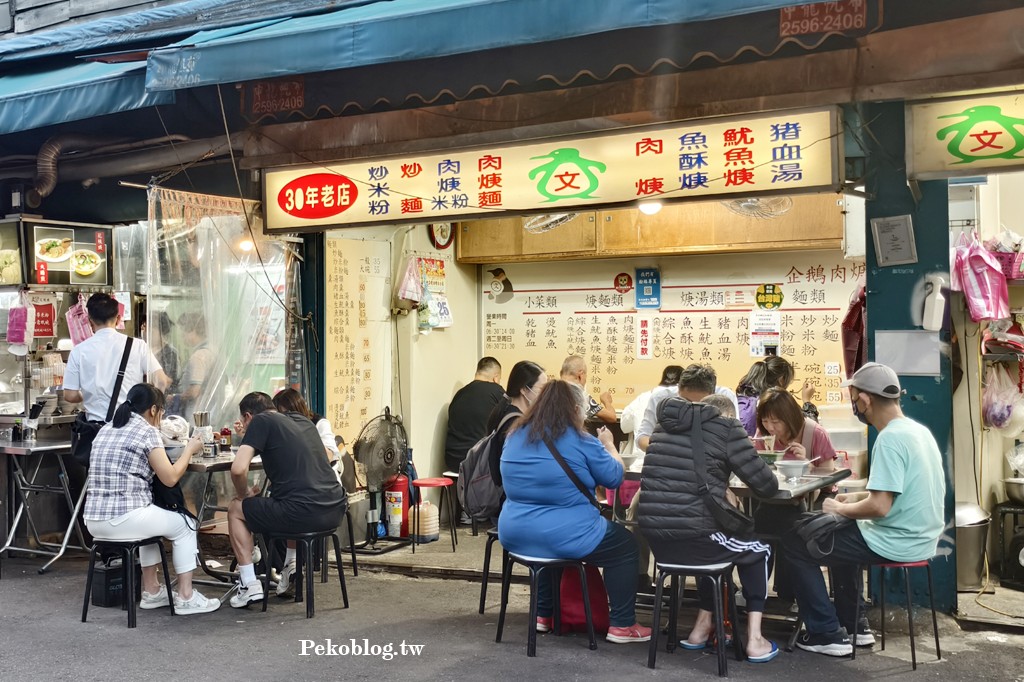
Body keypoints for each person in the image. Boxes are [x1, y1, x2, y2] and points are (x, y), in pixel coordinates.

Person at [783, 363, 945, 657]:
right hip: (920, 538)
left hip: (896, 541)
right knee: (834, 536)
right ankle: (855, 627)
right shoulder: (916, 431)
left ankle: (825, 632)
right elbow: (897, 490)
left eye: (854, 398)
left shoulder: (890, 438)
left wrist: (837, 508)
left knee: (796, 541)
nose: (854, 405)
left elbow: (880, 507)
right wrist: (854, 498)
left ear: (865, 400)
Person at [498, 380, 651, 644]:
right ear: (575, 408)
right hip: (567, 534)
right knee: (626, 546)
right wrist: (610, 446)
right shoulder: (581, 440)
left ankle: (544, 615)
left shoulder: (514, 435)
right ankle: (622, 625)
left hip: (515, 533)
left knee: (546, 548)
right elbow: (614, 477)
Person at [639, 383, 781, 662]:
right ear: (727, 416)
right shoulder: (727, 428)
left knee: (715, 542)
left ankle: (701, 629)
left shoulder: (662, 428)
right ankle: (754, 638)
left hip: (660, 544)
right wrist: (722, 483)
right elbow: (767, 485)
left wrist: (717, 482)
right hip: (697, 539)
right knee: (759, 549)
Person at [84, 383, 219, 614]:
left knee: (152, 513)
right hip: (125, 519)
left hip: (94, 523)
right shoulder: (147, 432)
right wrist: (190, 449)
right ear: (154, 410)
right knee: (186, 525)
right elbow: (170, 478)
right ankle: (186, 597)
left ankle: (153, 592)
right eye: (162, 412)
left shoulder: (107, 428)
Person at [226, 392, 348, 608]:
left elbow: (238, 469)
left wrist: (243, 495)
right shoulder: (303, 420)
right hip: (335, 509)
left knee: (236, 509)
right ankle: (291, 565)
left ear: (247, 416)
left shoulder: (260, 421)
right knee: (287, 495)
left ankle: (248, 584)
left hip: (302, 514)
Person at [627, 364, 717, 591]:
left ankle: (710, 580)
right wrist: (668, 449)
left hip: (704, 478)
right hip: (663, 475)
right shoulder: (661, 398)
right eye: (685, 402)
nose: (690, 409)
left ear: (712, 395)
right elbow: (642, 437)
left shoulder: (722, 400)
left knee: (719, 513)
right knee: (638, 509)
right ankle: (638, 575)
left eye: (699, 404)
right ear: (678, 390)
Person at [752, 387, 837, 603]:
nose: (770, 427)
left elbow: (828, 476)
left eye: (776, 422)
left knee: (792, 526)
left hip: (816, 500)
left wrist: (806, 463)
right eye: (765, 421)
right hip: (777, 498)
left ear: (790, 417)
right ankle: (755, 596)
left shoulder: (814, 433)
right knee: (758, 529)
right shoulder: (763, 435)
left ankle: (792, 593)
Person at [63, 293, 170, 421]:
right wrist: (152, 410)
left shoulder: (78, 351)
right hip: (130, 425)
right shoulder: (137, 345)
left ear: (90, 322)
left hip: (96, 430)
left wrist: (89, 394)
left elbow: (70, 395)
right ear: (118, 319)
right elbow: (162, 381)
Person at [485, 360, 547, 489]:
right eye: (542, 389)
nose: (545, 395)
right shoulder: (515, 423)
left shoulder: (506, 413)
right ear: (524, 389)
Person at [444, 357, 505, 473]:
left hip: (453, 461)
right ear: (496, 378)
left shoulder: (459, 394)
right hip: (479, 461)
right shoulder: (496, 391)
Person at [735, 356, 818, 437]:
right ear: (781, 380)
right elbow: (812, 432)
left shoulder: (740, 398)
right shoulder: (775, 401)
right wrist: (807, 400)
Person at [619, 365, 683, 468]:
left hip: (639, 463)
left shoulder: (642, 398)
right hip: (671, 464)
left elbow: (624, 427)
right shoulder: (686, 401)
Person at [272, 388, 340, 462]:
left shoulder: (319, 423)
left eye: (285, 414)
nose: (283, 419)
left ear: (297, 410)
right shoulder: (280, 427)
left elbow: (329, 456)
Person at [176, 312, 215, 418]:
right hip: (209, 412)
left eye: (184, 332)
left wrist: (176, 397)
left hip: (196, 414)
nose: (182, 336)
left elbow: (194, 391)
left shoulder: (199, 356)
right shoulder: (211, 350)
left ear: (193, 331)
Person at [560, 355, 616, 423]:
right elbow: (612, 417)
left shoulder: (550, 390)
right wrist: (606, 401)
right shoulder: (580, 395)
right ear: (581, 375)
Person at [144, 311, 179, 395]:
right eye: (145, 328)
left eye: (151, 329)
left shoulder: (170, 353)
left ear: (162, 332)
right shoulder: (143, 349)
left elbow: (169, 381)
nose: (146, 332)